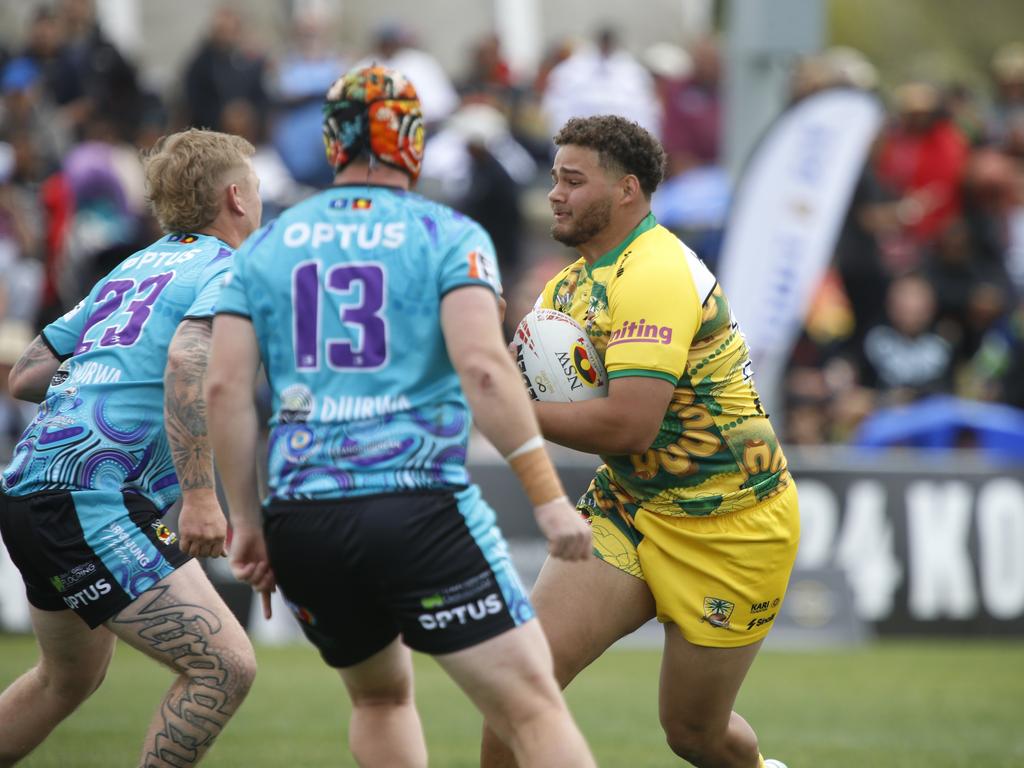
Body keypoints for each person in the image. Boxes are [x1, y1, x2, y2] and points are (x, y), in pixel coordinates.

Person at [204, 64, 596, 768]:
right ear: (409, 138)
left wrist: (250, 525)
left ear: (332, 143)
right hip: (418, 507)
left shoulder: (266, 244)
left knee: (379, 699)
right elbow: (482, 367)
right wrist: (548, 500)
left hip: (303, 519)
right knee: (533, 708)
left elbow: (224, 390)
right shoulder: (447, 233)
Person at [481, 114, 800, 768]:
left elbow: (629, 424)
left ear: (627, 190)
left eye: (574, 180)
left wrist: (508, 406)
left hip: (731, 527)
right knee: (519, 685)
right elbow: (552, 409)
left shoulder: (656, 272)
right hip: (630, 507)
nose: (554, 193)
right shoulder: (563, 289)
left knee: (693, 735)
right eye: (553, 179)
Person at [0, 127, 262, 767]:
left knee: (67, 680)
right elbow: (185, 362)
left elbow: (27, 374)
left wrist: (95, 376)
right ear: (235, 196)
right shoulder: (232, 269)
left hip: (31, 485)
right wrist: (201, 497)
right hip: (94, 497)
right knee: (225, 667)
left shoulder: (134, 266)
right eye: (255, 189)